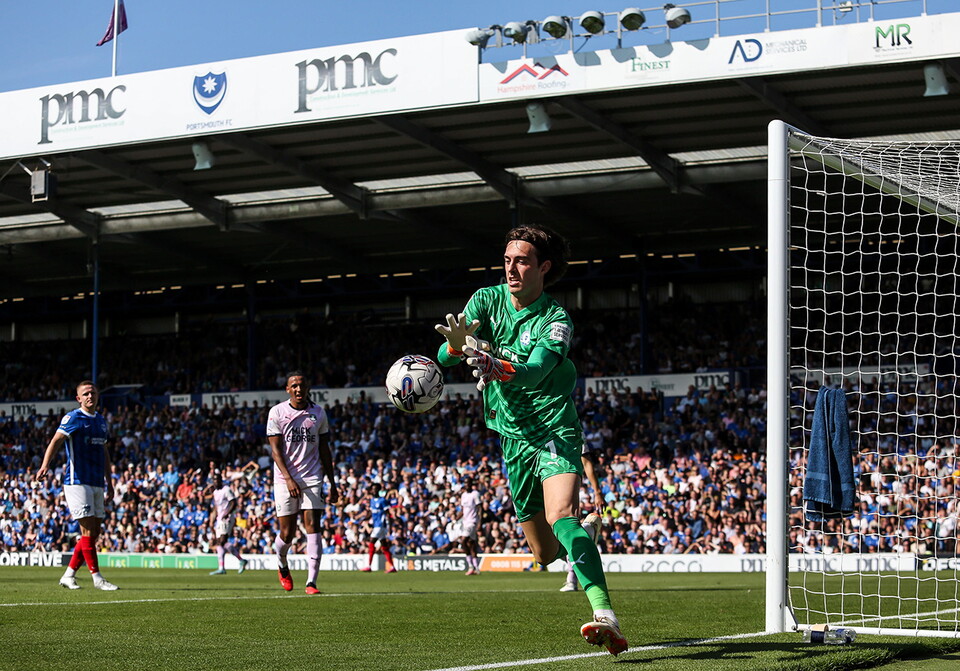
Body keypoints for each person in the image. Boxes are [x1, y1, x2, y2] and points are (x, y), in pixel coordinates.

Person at [435, 225, 627, 656]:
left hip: (553, 426)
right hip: (511, 434)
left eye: (521, 260)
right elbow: (447, 356)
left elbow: (537, 370)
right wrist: (456, 347)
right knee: (543, 555)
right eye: (507, 260)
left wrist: (495, 362)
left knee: (562, 515)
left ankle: (605, 614)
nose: (511, 268)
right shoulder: (485, 300)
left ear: (544, 267)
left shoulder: (556, 320)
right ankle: (583, 541)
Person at [35, 380, 119, 591]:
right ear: (78, 398)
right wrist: (45, 465)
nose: (90, 396)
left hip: (97, 481)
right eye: (86, 394)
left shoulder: (100, 420)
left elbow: (104, 452)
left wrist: (110, 481)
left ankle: (68, 575)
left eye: (93, 393)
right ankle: (97, 578)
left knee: (94, 533)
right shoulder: (73, 418)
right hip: (77, 481)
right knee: (88, 530)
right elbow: (55, 440)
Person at [266, 371, 340, 595]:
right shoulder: (277, 412)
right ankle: (282, 563)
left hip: (312, 477)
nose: (299, 389)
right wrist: (288, 479)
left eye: (302, 385)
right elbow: (275, 451)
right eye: (294, 386)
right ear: (288, 389)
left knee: (313, 526)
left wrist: (332, 483)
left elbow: (325, 450)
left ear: (308, 388)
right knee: (287, 534)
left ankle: (311, 583)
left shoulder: (318, 412)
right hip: (284, 478)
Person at [560, 443, 606, 592]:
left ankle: (572, 580)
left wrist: (597, 492)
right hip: (547, 487)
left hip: (567, 484)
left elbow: (586, 463)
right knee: (544, 552)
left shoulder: (573, 430)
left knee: (569, 533)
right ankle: (587, 532)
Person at [203, 470, 249, 576]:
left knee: (222, 541)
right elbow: (215, 506)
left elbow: (233, 502)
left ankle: (240, 560)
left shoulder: (226, 489)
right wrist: (212, 520)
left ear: (220, 480)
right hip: (220, 519)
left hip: (227, 518)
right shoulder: (215, 492)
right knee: (219, 543)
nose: (215, 482)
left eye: (217, 480)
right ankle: (222, 567)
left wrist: (227, 513)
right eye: (214, 480)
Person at [359, 484, 398, 573]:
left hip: (380, 526)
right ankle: (392, 567)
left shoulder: (382, 500)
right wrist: (364, 519)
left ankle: (369, 566)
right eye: (373, 489)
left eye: (375, 489)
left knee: (371, 543)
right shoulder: (372, 501)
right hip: (377, 526)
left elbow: (388, 513)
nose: (374, 491)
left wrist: (391, 526)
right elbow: (371, 513)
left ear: (379, 490)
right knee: (384, 546)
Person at [459, 477, 482, 575]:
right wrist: (454, 520)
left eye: (468, 483)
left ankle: (470, 566)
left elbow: (479, 508)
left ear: (471, 483)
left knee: (463, 540)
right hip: (465, 522)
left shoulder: (475, 494)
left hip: (472, 522)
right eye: (465, 483)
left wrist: (479, 522)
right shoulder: (463, 495)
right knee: (471, 545)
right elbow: (462, 510)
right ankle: (476, 568)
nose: (466, 484)